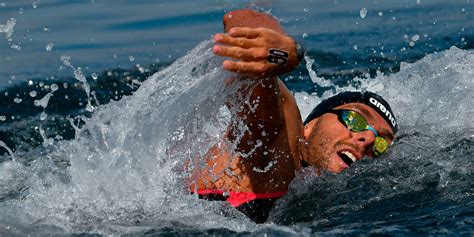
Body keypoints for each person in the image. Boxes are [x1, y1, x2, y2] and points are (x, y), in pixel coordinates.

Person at [188, 9, 398, 223]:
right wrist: (280, 52)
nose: (368, 139)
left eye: (381, 142)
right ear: (309, 125)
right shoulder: (277, 147)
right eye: (354, 120)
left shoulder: (314, 194)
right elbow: (240, 20)